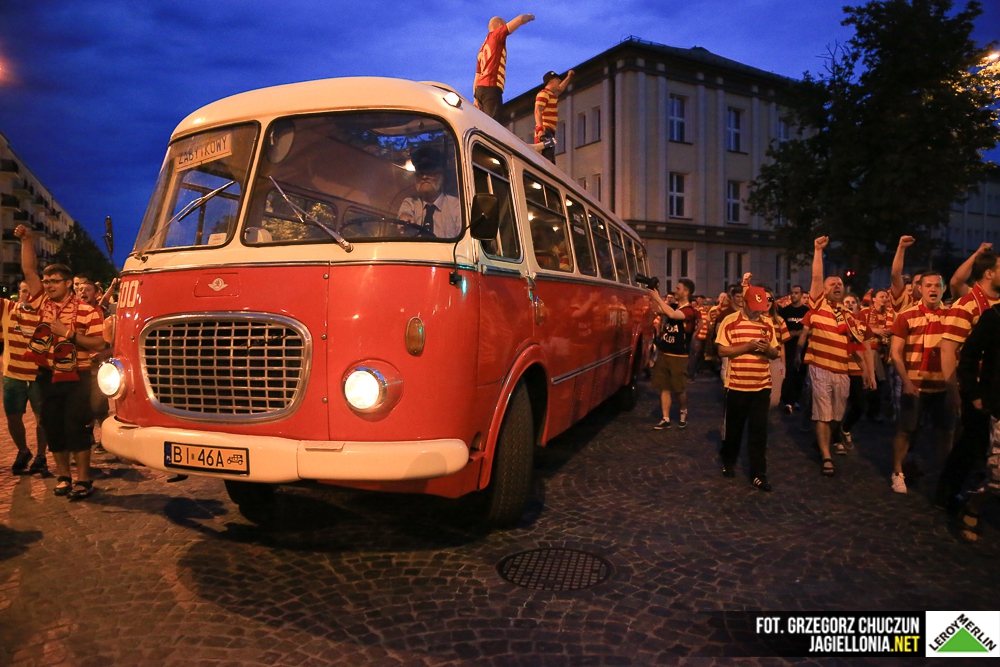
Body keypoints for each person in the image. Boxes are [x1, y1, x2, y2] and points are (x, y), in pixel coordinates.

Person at [15, 224, 106, 500]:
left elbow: (99, 344)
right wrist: (27, 240)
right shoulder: (42, 303)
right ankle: (64, 476)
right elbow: (29, 271)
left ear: (68, 284)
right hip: (47, 374)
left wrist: (68, 334)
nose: (48, 285)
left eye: (54, 281)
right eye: (46, 281)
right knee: (52, 426)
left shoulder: (89, 311)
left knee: (76, 426)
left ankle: (84, 479)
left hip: (78, 376)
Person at [805, 236, 874, 477]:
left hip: (843, 370)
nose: (837, 286)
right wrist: (818, 251)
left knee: (836, 415)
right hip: (821, 367)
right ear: (824, 290)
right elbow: (816, 277)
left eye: (840, 283)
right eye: (832, 283)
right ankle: (826, 456)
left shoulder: (849, 315)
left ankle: (822, 441)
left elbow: (859, 345)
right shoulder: (818, 305)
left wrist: (867, 371)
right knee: (823, 414)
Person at [936, 248, 1000, 510]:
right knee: (970, 444)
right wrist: (954, 391)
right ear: (989, 273)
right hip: (975, 388)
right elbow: (949, 349)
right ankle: (947, 496)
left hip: (994, 386)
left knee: (982, 445)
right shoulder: (966, 304)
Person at [888, 271, 954, 494]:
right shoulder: (906, 316)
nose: (933, 289)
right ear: (920, 289)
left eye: (937, 285)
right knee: (906, 430)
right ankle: (897, 472)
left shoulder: (951, 317)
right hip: (915, 385)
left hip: (942, 386)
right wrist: (906, 381)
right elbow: (895, 353)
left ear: (943, 289)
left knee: (945, 432)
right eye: (928, 285)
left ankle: (945, 477)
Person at [715, 285, 781, 491]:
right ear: (744, 302)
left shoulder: (767, 323)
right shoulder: (730, 321)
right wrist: (747, 347)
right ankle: (729, 460)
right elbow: (721, 350)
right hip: (737, 385)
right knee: (734, 430)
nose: (758, 312)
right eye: (754, 307)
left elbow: (775, 353)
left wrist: (768, 349)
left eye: (760, 308)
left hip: (761, 386)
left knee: (759, 431)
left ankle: (758, 473)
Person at [953, 302, 1000, 542]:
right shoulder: (995, 316)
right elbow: (969, 355)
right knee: (998, 476)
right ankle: (973, 504)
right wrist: (974, 392)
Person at [2, 280, 48, 474]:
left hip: (39, 376)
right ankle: (23, 450)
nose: (28, 295)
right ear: (19, 292)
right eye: (24, 291)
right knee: (13, 418)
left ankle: (41, 455)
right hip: (13, 376)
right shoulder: (8, 309)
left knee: (42, 419)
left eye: (32, 292)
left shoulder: (46, 315)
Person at [648, 279, 698, 429]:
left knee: (678, 389)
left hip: (679, 356)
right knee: (664, 387)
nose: (675, 291)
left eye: (678, 288)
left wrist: (658, 298)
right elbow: (657, 309)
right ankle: (666, 418)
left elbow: (673, 314)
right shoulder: (674, 306)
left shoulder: (689, 311)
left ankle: (683, 410)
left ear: (686, 292)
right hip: (665, 352)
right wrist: (653, 293)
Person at [473, 14, 535, 122]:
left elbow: (477, 75)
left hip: (480, 89)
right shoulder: (496, 36)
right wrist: (528, 17)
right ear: (499, 25)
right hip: (491, 87)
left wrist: (475, 98)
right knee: (493, 124)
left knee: (484, 123)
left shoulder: (482, 48)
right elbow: (519, 20)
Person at [397, 147, 462, 239]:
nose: (424, 177)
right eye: (420, 173)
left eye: (430, 172)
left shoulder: (456, 206)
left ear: (442, 177)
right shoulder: (411, 202)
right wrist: (405, 218)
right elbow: (405, 213)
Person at [857, 289, 893, 422]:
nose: (885, 299)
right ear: (873, 299)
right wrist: (874, 330)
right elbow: (856, 328)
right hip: (870, 351)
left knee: (881, 383)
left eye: (886, 297)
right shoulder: (864, 313)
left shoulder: (889, 314)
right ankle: (869, 412)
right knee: (876, 382)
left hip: (885, 352)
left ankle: (873, 412)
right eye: (881, 296)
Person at [778, 285, 809, 413]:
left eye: (796, 293)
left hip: (803, 347)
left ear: (801, 295)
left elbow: (812, 329)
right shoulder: (784, 311)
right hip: (788, 346)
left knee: (800, 373)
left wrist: (799, 333)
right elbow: (779, 327)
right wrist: (788, 334)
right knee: (788, 373)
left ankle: (796, 399)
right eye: (792, 293)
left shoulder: (807, 311)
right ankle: (788, 401)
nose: (794, 295)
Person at [534, 69, 574, 162]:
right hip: (545, 130)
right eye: (557, 79)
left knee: (550, 158)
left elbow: (561, 88)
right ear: (551, 81)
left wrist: (569, 77)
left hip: (549, 131)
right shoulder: (544, 93)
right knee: (547, 159)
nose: (559, 81)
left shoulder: (552, 95)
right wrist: (540, 129)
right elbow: (537, 111)